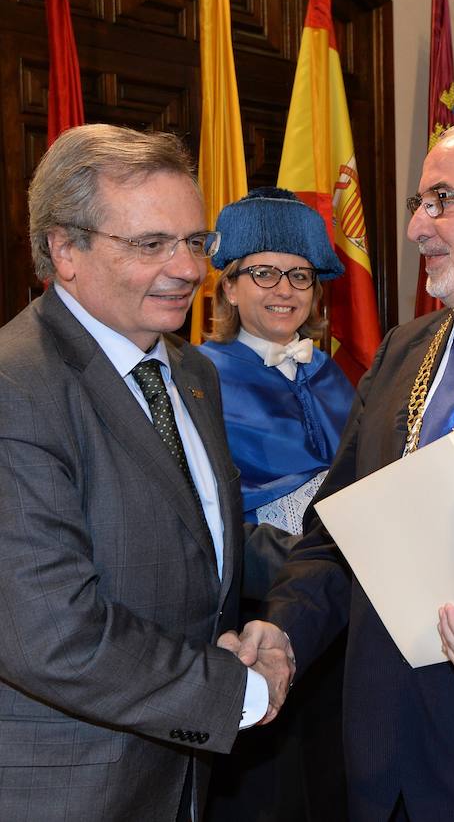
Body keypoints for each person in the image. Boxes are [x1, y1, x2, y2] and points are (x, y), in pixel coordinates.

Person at [222, 116, 454, 821]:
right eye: (416, 205)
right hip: (376, 768)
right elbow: (335, 534)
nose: (416, 227)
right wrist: (282, 631)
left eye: (442, 200)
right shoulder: (402, 350)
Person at [0, 124, 293, 822]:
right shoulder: (17, 388)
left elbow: (197, 551)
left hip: (181, 778)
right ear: (65, 251)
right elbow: (50, 634)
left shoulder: (190, 371)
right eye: (150, 244)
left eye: (195, 241)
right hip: (70, 791)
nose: (190, 269)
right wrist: (239, 692)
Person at [201, 187, 355, 820]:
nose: (284, 289)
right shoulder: (199, 376)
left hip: (339, 611)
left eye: (299, 275)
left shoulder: (335, 373)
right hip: (255, 608)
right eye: (263, 272)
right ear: (229, 288)